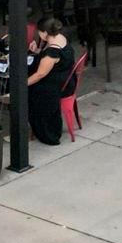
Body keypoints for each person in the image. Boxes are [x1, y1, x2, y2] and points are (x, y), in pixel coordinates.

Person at [25, 16, 77, 146]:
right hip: (66, 78)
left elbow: (40, 74)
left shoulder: (52, 52)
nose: (38, 33)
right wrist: (37, 51)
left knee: (29, 91)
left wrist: (22, 85)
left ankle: (43, 131)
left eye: (40, 31)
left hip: (54, 85)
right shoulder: (61, 38)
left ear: (45, 33)